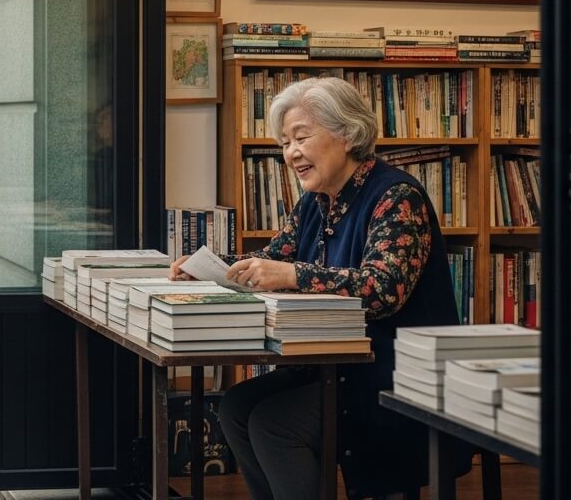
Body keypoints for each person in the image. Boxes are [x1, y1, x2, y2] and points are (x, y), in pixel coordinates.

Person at [169, 77, 467, 500]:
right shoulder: (316, 201)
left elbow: (382, 290)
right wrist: (208, 268)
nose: (291, 153)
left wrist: (292, 275)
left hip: (392, 375)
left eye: (301, 138)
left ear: (346, 134)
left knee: (273, 423)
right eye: (285, 142)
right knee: (236, 408)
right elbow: (271, 258)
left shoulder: (397, 196)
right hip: (334, 367)